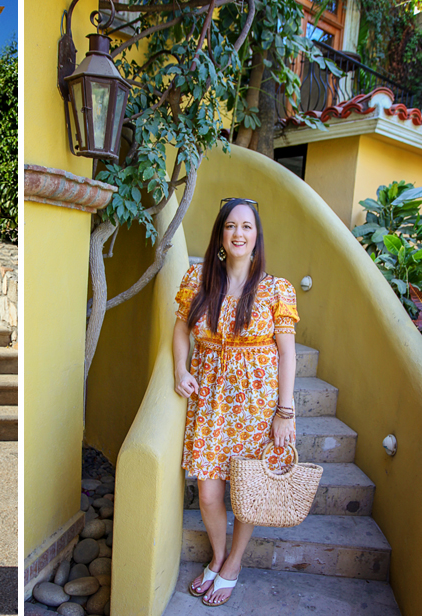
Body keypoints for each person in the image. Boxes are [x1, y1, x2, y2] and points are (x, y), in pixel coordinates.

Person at [172, 198, 298, 607]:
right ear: (221, 236)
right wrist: (180, 369)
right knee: (208, 493)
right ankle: (220, 555)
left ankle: (233, 563)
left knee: (247, 491)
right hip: (209, 400)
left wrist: (285, 411)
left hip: (256, 406)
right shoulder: (198, 280)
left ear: (256, 237)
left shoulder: (276, 289)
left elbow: (287, 353)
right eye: (230, 226)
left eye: (246, 226)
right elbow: (180, 331)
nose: (238, 233)